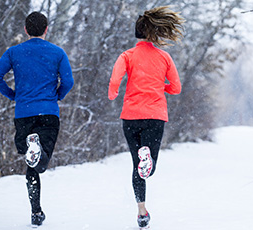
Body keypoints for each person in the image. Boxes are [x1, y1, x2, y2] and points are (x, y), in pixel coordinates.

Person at [0, 12, 74, 227]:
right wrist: (58, 95)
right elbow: (68, 81)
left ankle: (36, 213)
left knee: (30, 162)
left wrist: (13, 95)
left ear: (26, 30)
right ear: (46, 29)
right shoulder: (57, 52)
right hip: (48, 112)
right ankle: (36, 151)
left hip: (24, 113)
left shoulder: (14, 52)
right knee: (39, 163)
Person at [108, 6, 184, 229]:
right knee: (148, 166)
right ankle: (147, 156)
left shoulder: (127, 55)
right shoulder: (164, 57)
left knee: (137, 166)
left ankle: (142, 212)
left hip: (131, 115)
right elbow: (176, 88)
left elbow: (115, 80)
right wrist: (162, 87)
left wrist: (113, 93)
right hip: (154, 115)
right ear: (154, 33)